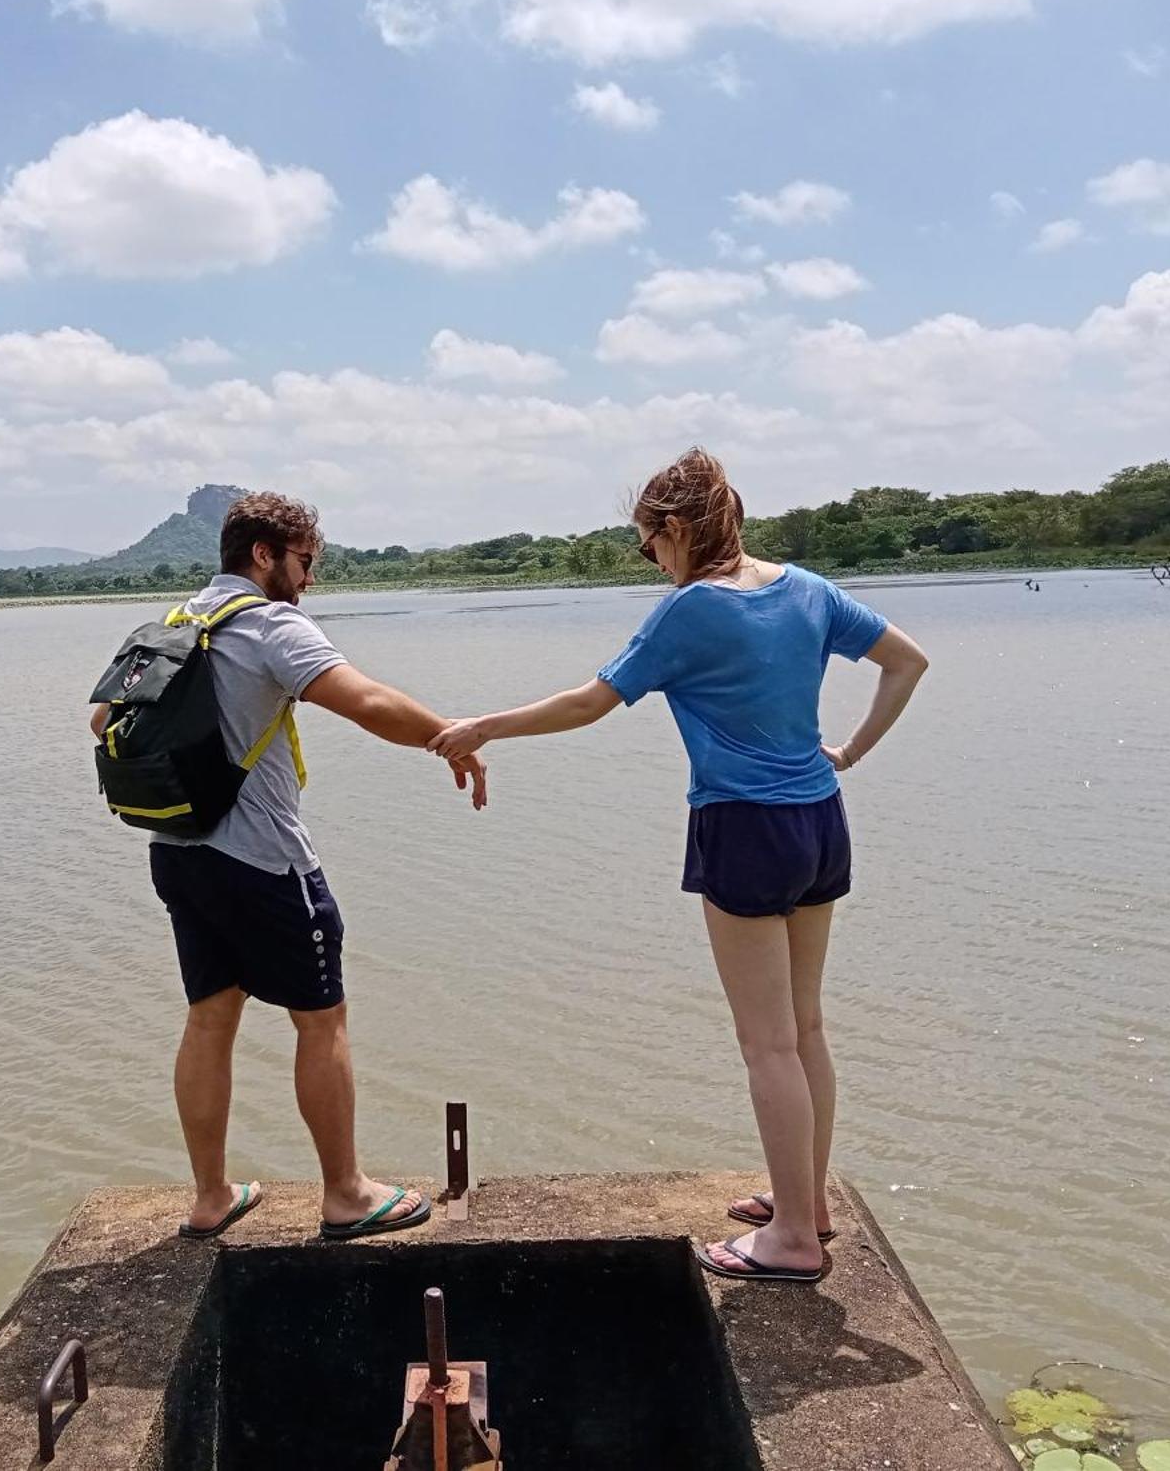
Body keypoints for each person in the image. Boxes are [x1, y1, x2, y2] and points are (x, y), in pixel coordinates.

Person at [428, 449, 928, 1282]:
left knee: (767, 1043)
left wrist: (486, 725)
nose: (651, 563)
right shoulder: (805, 588)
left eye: (647, 545)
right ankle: (806, 1202)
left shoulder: (689, 611)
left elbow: (592, 702)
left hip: (743, 827)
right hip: (819, 821)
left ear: (678, 530)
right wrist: (849, 753)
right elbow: (907, 663)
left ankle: (793, 1241)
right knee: (805, 1028)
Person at [91, 491, 487, 1243]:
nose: (310, 580)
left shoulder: (174, 624)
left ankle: (211, 1197)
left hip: (177, 854)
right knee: (322, 1020)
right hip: (262, 861)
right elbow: (365, 701)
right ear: (265, 555)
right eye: (306, 562)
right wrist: (450, 736)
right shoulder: (271, 625)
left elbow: (104, 721)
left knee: (210, 1016)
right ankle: (345, 1193)